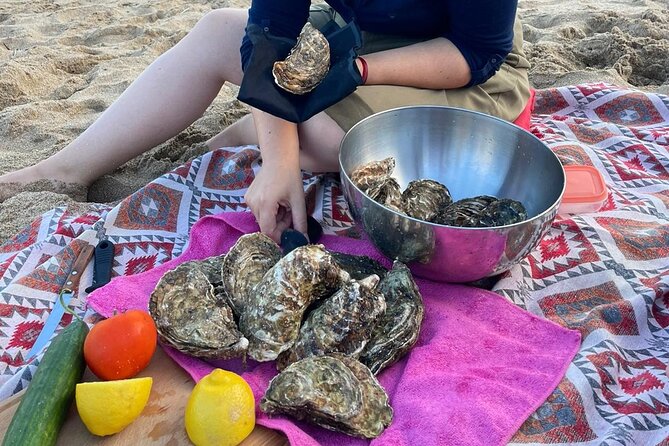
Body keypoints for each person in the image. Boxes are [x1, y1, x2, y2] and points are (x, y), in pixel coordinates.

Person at [0, 0, 530, 243]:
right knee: (217, 32)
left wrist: (359, 70)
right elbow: (269, 31)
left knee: (340, 146)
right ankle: (63, 169)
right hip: (359, 36)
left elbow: (477, 50)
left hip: (459, 64)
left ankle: (244, 136)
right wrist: (278, 163)